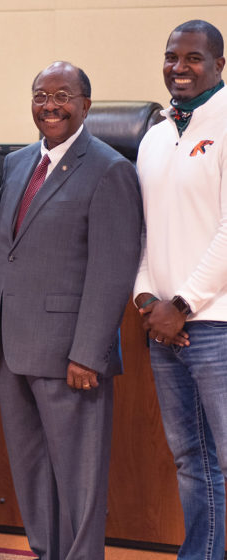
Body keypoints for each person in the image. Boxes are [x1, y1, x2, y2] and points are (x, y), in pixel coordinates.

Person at [0, 62, 142, 560]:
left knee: (78, 480)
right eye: (40, 95)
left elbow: (113, 270)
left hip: (70, 354)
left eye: (63, 96)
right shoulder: (17, 163)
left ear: (86, 105)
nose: (50, 105)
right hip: (10, 347)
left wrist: (89, 353)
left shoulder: (111, 169)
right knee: (31, 475)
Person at [134, 20, 227, 560]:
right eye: (172, 57)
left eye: (194, 58)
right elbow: (144, 229)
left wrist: (185, 303)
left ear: (219, 64)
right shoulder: (154, 134)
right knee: (191, 458)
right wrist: (147, 299)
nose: (179, 67)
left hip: (214, 324)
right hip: (164, 329)